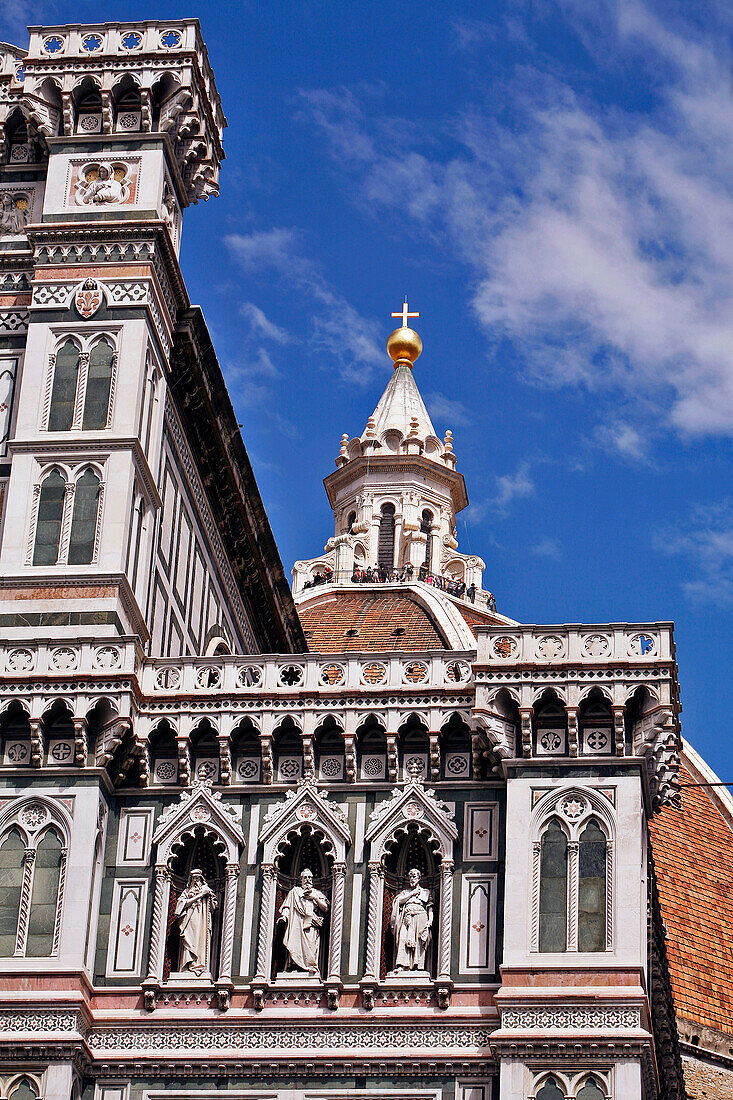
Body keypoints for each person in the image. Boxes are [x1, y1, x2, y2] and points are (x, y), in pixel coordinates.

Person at [278, 868, 329, 976]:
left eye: (310, 877)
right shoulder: (294, 892)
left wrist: (314, 897)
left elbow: (325, 908)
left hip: (311, 926)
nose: (307, 879)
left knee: (310, 947)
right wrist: (284, 916)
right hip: (296, 923)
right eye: (305, 877)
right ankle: (293, 966)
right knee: (294, 945)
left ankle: (310, 967)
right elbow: (287, 906)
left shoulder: (317, 893)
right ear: (301, 879)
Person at [175, 869, 217, 977]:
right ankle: (188, 965)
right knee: (189, 940)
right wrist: (199, 895)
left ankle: (199, 964)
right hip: (189, 920)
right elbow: (181, 906)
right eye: (193, 878)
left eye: (197, 878)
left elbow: (214, 908)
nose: (195, 880)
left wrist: (210, 897)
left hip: (201, 920)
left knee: (200, 940)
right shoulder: (186, 892)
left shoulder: (206, 889)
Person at [389, 868, 433, 974]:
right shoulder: (405, 892)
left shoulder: (426, 892)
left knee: (419, 942)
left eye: (414, 876)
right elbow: (398, 901)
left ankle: (418, 966)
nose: (412, 879)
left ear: (419, 878)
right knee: (403, 939)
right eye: (410, 877)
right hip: (406, 919)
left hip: (421, 917)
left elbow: (430, 908)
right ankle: (403, 965)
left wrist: (430, 921)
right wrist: (412, 894)